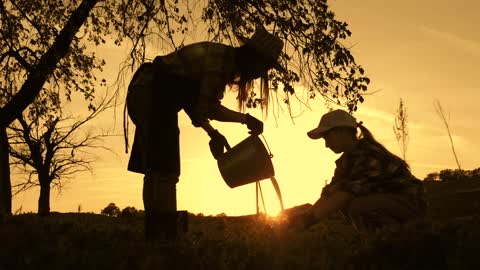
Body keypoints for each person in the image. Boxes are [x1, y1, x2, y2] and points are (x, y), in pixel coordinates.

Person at [125, 27, 286, 242]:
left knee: (156, 169)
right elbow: (206, 109)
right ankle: (164, 237)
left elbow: (197, 104)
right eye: (264, 66)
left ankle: (155, 235)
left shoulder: (224, 62)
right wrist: (244, 119)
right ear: (255, 58)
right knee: (165, 169)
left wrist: (214, 132)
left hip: (147, 92)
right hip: (152, 93)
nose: (261, 73)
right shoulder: (221, 61)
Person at [289, 109, 427, 230]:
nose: (326, 144)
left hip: (410, 204)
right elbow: (330, 194)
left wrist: (309, 221)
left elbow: (346, 194)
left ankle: (396, 240)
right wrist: (306, 216)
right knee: (341, 207)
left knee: (356, 207)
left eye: (327, 137)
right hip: (389, 203)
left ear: (342, 132)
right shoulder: (346, 161)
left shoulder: (369, 155)